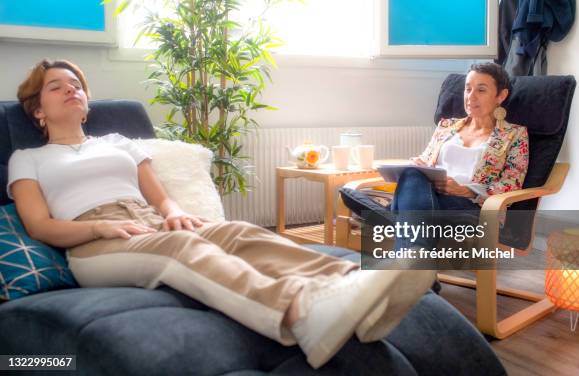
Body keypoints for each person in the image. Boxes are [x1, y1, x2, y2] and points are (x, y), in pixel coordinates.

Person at [7, 59, 435, 369]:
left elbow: (160, 197)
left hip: (148, 220)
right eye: (57, 86)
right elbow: (38, 225)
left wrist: (176, 212)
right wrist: (101, 225)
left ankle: (354, 288)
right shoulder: (29, 158)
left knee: (234, 232)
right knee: (182, 247)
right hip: (94, 242)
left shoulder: (118, 141)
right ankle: (299, 314)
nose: (72, 90)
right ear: (38, 109)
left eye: (76, 84)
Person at [391, 62, 529, 250]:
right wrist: (417, 165)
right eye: (467, 89)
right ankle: (415, 268)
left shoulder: (514, 134)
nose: (471, 97)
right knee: (412, 175)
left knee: (409, 207)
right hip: (429, 196)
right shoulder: (446, 126)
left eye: (481, 90)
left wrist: (466, 190)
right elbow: (426, 160)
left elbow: (512, 183)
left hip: (471, 206)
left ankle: (410, 257)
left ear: (501, 96)